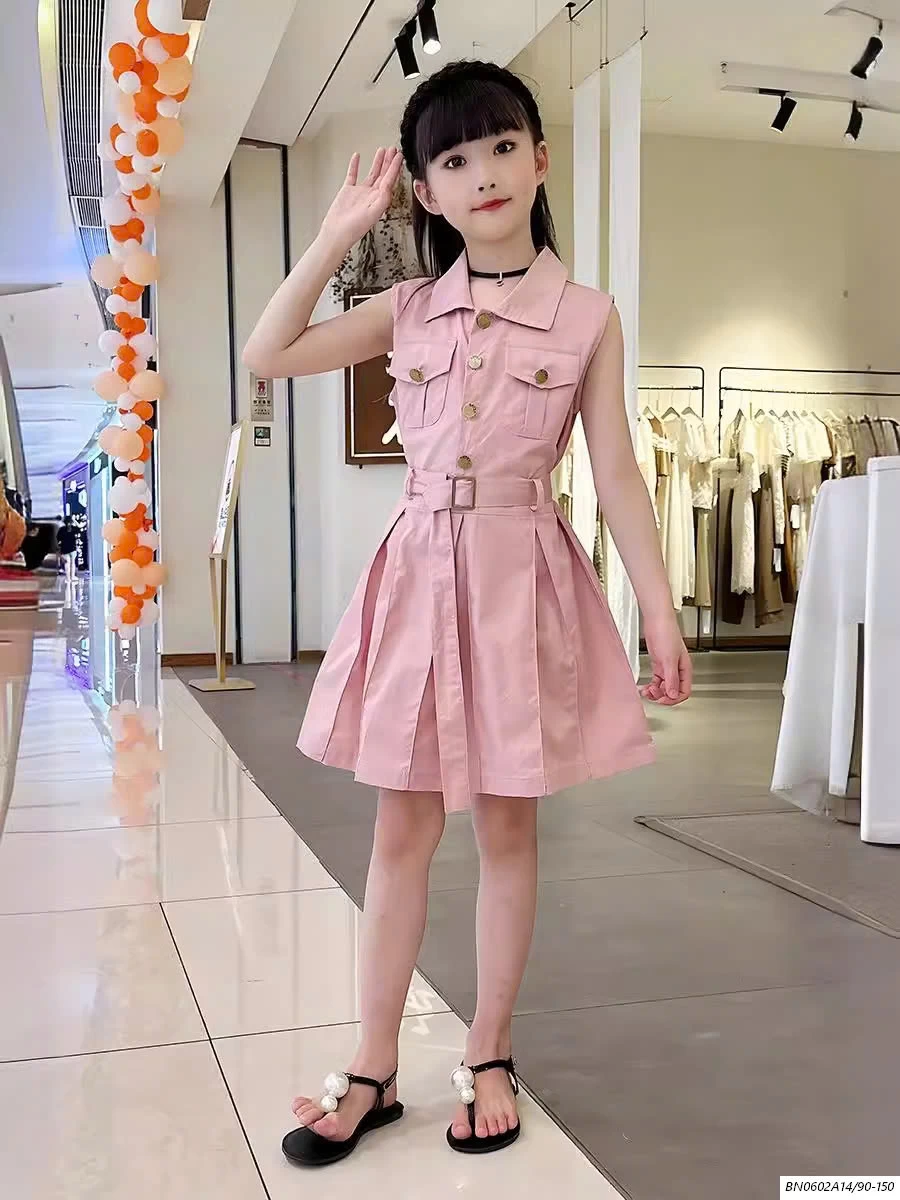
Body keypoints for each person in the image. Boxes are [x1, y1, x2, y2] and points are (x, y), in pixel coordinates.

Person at [244, 60, 691, 1167]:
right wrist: (338, 234)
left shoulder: (587, 316)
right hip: (416, 579)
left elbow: (617, 473)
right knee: (400, 828)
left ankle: (490, 1051)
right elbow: (268, 353)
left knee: (506, 828)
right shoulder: (407, 308)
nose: (482, 172)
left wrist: (660, 612)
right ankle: (373, 1067)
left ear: (539, 159)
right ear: (427, 191)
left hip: (519, 581)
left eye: (500, 146)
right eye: (453, 158)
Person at [58, 516, 77, 581]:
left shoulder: (61, 529)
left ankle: (68, 578)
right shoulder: (74, 528)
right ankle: (72, 577)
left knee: (67, 563)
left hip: (64, 548)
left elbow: (58, 539)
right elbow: (79, 528)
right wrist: (74, 521)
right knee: (72, 563)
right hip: (73, 548)